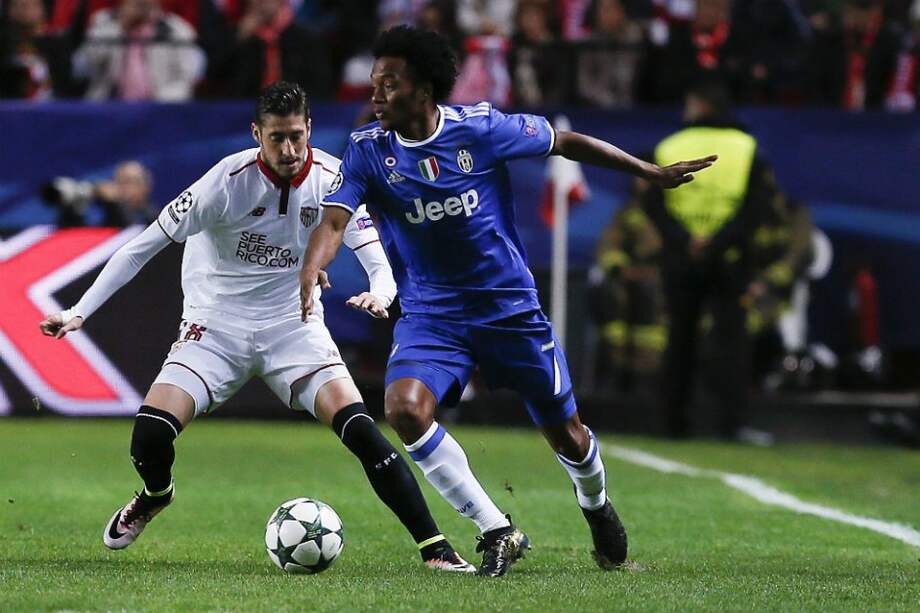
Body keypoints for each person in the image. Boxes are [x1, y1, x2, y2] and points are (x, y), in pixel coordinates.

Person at [299, 25, 715, 577]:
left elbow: (564, 142)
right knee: (403, 407)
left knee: (566, 431)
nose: (374, 95)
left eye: (388, 84)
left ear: (423, 90)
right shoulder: (368, 151)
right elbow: (334, 218)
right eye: (374, 83)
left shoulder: (482, 129)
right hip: (433, 313)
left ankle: (595, 506)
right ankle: (496, 528)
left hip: (508, 308)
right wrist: (312, 268)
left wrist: (646, 170)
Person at [38, 81, 474, 573]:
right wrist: (79, 311)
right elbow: (142, 246)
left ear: (309, 128)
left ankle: (435, 548)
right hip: (215, 328)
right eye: (276, 139)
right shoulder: (224, 182)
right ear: (256, 134)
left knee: (362, 432)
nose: (288, 150)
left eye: (296, 136)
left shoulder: (334, 178)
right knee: (150, 435)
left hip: (294, 325)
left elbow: (376, 260)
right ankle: (156, 494)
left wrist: (382, 293)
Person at [641, 78, 775, 441]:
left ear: (698, 106)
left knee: (679, 340)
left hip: (681, 257)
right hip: (729, 258)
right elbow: (757, 206)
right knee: (732, 341)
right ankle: (732, 424)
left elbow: (652, 203)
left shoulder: (670, 145)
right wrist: (717, 242)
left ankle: (672, 424)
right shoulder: (747, 147)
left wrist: (686, 240)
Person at [43, 160, 159, 228]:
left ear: (145, 186)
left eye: (128, 182)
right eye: (119, 181)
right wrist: (71, 210)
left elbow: (132, 233)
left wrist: (113, 204)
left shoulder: (154, 217)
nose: (122, 188)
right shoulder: (106, 216)